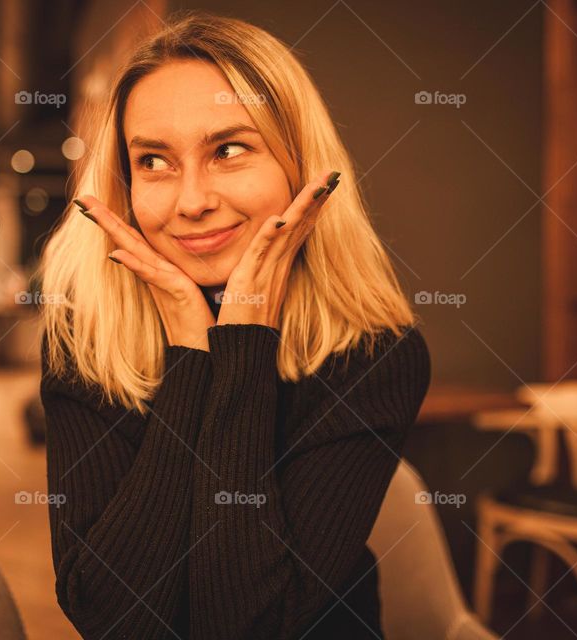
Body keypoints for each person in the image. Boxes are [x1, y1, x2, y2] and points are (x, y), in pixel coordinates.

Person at [37, 11, 431, 639]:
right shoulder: (85, 338)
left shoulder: (375, 352)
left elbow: (253, 625)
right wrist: (191, 353)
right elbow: (111, 618)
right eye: (155, 162)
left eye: (228, 150)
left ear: (301, 164)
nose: (191, 200)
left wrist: (242, 345)